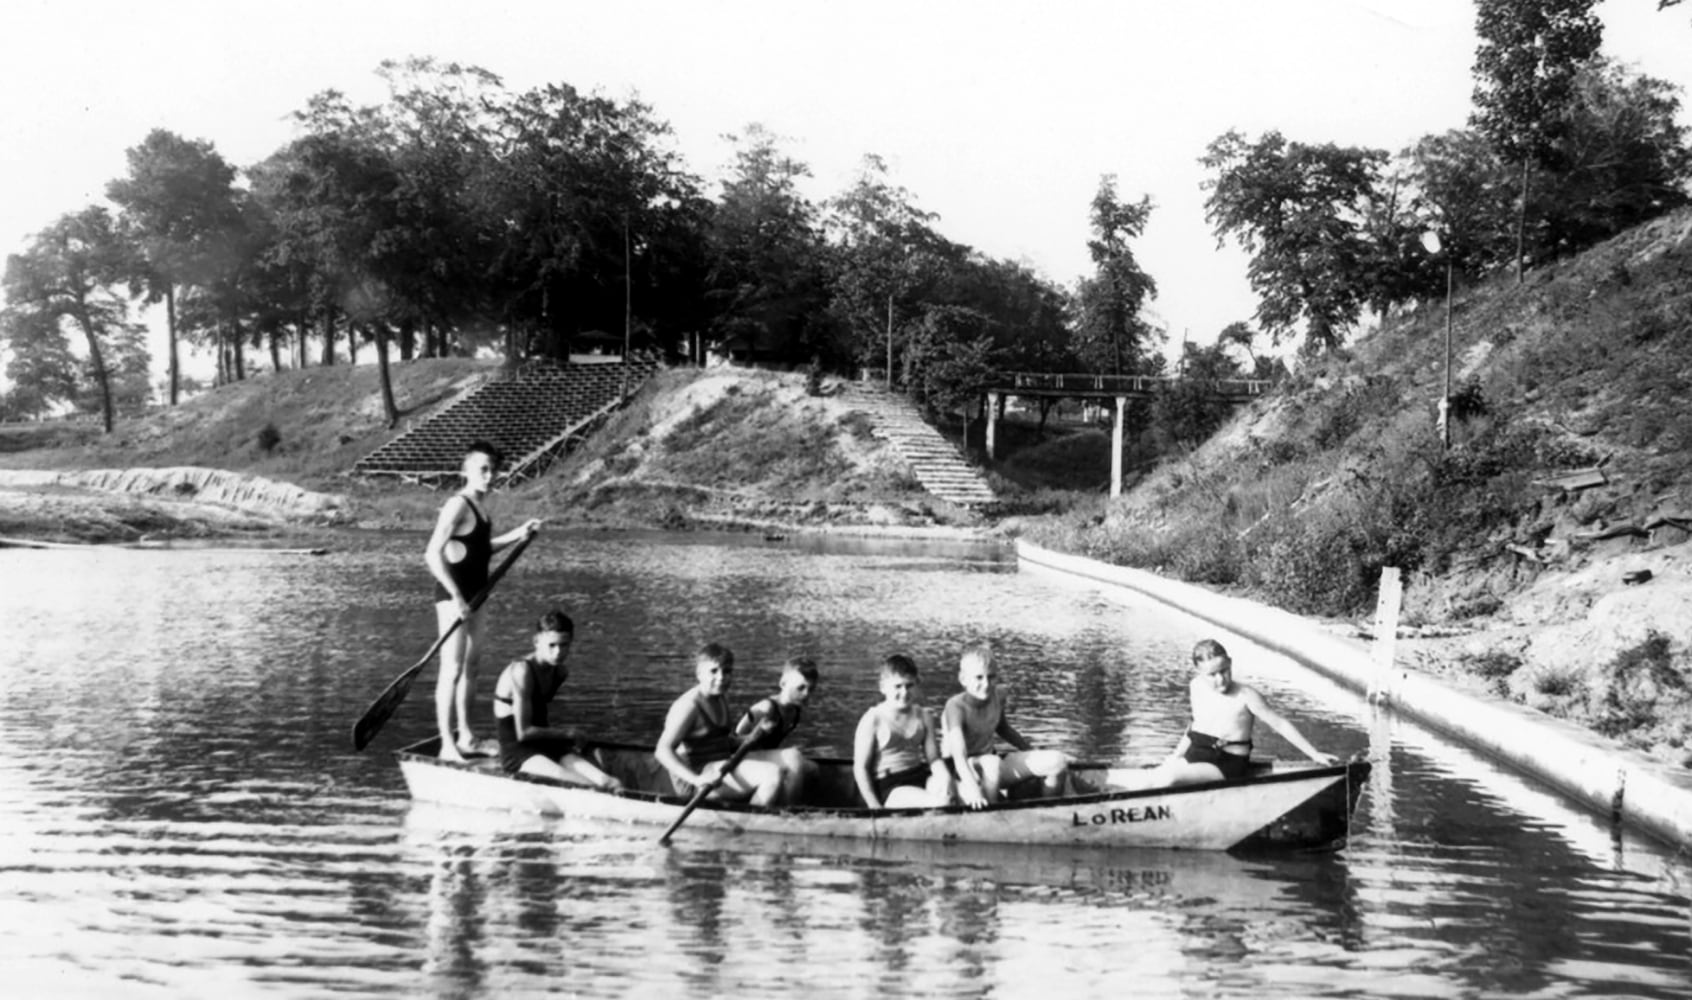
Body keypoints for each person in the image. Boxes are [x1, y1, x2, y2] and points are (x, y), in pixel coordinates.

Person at [425, 440, 542, 762]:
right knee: (451, 669)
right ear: (466, 471)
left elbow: (482, 551)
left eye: (493, 470)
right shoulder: (457, 505)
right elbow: (432, 554)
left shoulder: (482, 509)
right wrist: (457, 597)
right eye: (482, 469)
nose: (489, 476)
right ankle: (448, 745)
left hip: (478, 597)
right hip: (453, 599)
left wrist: (519, 534)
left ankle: (467, 736)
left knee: (472, 667)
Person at [1109, 639, 1340, 790]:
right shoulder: (1195, 687)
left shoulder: (1247, 696)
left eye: (1224, 671)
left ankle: (1108, 787)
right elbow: (1195, 727)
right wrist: (1174, 756)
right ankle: (1104, 790)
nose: (1221, 679)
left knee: (1168, 779)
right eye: (1212, 675)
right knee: (1158, 774)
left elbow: (1279, 724)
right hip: (1196, 752)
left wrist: (1314, 754)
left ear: (1230, 663)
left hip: (1227, 763)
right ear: (1198, 672)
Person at [491, 609, 622, 790]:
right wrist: (568, 734)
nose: (558, 652)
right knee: (588, 787)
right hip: (518, 751)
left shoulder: (560, 672)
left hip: (545, 745)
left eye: (564, 645)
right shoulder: (522, 670)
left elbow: (539, 715)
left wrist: (567, 740)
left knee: (610, 782)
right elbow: (523, 732)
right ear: (536, 641)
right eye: (551, 645)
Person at [654, 643, 790, 806]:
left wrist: (754, 736)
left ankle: (781, 813)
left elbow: (723, 740)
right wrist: (697, 780)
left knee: (792, 761)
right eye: (714, 671)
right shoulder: (688, 706)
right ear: (699, 674)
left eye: (727, 671)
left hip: (721, 766)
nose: (721, 677)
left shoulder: (720, 696)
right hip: (698, 781)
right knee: (771, 773)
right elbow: (662, 751)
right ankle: (751, 822)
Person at [941, 642, 1072, 809]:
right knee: (991, 763)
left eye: (991, 676)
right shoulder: (955, 706)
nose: (986, 684)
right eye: (979, 677)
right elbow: (959, 756)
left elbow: (1003, 728)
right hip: (961, 771)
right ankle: (992, 817)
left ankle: (1048, 813)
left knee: (1057, 761)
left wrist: (1031, 750)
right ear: (963, 679)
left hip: (991, 764)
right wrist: (973, 789)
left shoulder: (999, 695)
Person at [853, 654, 954, 810]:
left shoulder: (924, 716)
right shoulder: (873, 719)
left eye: (909, 685)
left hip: (918, 775)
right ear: (883, 687)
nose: (904, 692)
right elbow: (860, 768)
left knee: (960, 794)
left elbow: (933, 758)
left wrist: (944, 777)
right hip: (890, 785)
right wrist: (874, 806)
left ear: (916, 685)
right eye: (898, 686)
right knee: (941, 804)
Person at [734, 656, 820, 802]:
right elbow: (736, 736)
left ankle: (797, 802)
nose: (806, 694)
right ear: (783, 683)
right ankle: (787, 811)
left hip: (763, 757)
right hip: (741, 759)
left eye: (810, 689)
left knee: (813, 769)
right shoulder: (765, 708)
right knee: (794, 757)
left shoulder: (794, 710)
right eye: (801, 688)